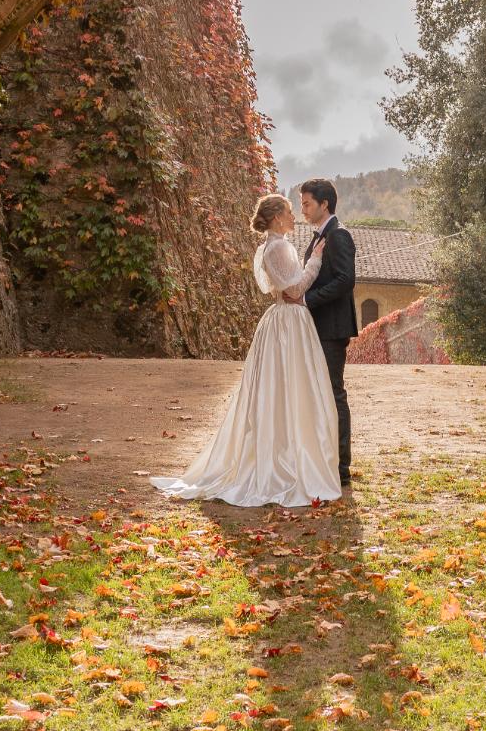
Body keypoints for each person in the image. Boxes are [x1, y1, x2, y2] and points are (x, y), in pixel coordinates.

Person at [150, 195, 341, 507]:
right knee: (291, 389)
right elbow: (293, 290)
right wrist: (315, 261)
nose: (295, 216)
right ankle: (285, 461)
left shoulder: (275, 245)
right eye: (291, 211)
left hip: (284, 323)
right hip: (288, 324)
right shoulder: (278, 247)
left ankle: (287, 452)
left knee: (282, 391)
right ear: (278, 217)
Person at [297, 177, 357, 486]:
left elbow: (346, 280)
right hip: (318, 327)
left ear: (325, 204)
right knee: (322, 394)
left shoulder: (339, 235)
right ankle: (325, 460)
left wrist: (307, 300)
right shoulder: (320, 237)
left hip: (332, 328)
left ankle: (340, 468)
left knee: (334, 393)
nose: (302, 209)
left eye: (307, 203)